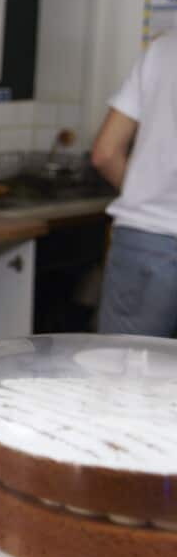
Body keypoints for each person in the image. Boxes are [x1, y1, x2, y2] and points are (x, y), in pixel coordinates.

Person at [90, 32, 177, 338]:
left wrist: (148, 192)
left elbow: (105, 153)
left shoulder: (164, 48)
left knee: (123, 376)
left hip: (144, 240)